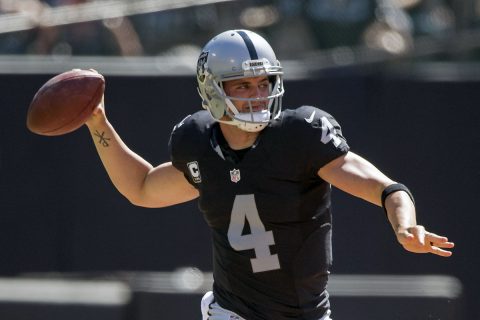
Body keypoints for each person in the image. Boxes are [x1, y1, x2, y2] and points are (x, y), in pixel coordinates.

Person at [85, 29, 454, 320]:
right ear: (212, 89)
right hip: (232, 312)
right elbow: (143, 187)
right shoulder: (198, 145)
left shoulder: (300, 135)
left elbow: (386, 188)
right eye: (242, 85)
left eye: (263, 83)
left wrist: (405, 225)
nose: (257, 95)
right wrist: (97, 121)